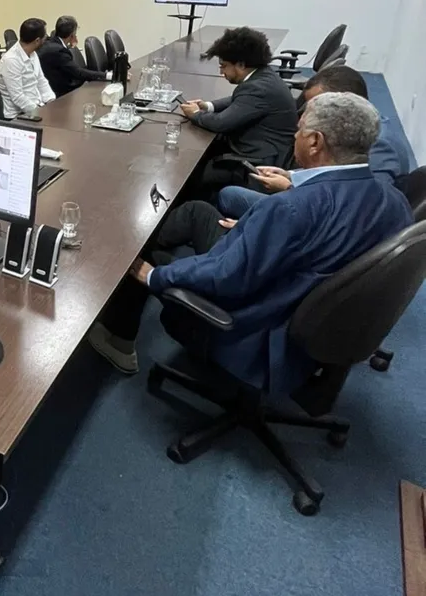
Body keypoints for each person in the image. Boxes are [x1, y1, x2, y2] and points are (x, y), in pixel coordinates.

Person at [88, 92, 413, 386]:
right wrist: (256, 227)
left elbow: (226, 277)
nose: (294, 136)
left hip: (256, 327)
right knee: (198, 212)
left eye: (298, 131)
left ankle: (118, 341)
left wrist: (156, 276)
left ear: (315, 142)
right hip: (313, 312)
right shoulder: (395, 201)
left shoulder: (292, 209)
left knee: (140, 255)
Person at [218, 65, 418, 218]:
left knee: (229, 195)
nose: (308, 114)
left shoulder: (380, 146)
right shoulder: (358, 127)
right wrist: (291, 176)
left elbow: (360, 209)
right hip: (320, 198)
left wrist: (290, 188)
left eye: (319, 105)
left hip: (318, 213)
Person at [178, 27, 298, 192]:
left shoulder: (258, 88)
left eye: (224, 66)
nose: (221, 72)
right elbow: (239, 100)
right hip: (269, 150)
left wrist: (196, 114)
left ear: (241, 64)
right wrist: (208, 106)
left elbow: (221, 123)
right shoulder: (263, 76)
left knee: (191, 175)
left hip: (258, 163)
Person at [0, 18, 56, 119]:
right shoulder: (11, 60)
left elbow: (41, 81)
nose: (46, 38)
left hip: (36, 108)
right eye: (44, 37)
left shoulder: (33, 54)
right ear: (37, 40)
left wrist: (52, 103)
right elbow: (18, 97)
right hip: (19, 115)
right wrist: (41, 113)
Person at [37, 16, 109, 97]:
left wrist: (69, 45)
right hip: (59, 95)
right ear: (72, 35)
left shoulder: (51, 43)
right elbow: (78, 72)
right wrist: (107, 75)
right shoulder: (58, 51)